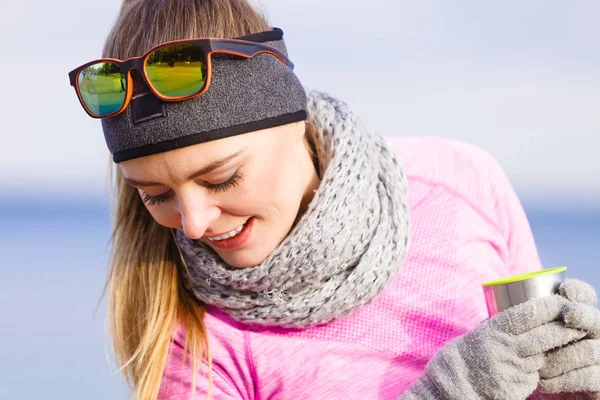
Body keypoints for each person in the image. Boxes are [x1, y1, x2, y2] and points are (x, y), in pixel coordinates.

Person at [67, 0, 600, 399]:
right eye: (156, 196)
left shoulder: (462, 179)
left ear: (291, 122)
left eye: (222, 178)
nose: (195, 223)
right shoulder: (191, 340)